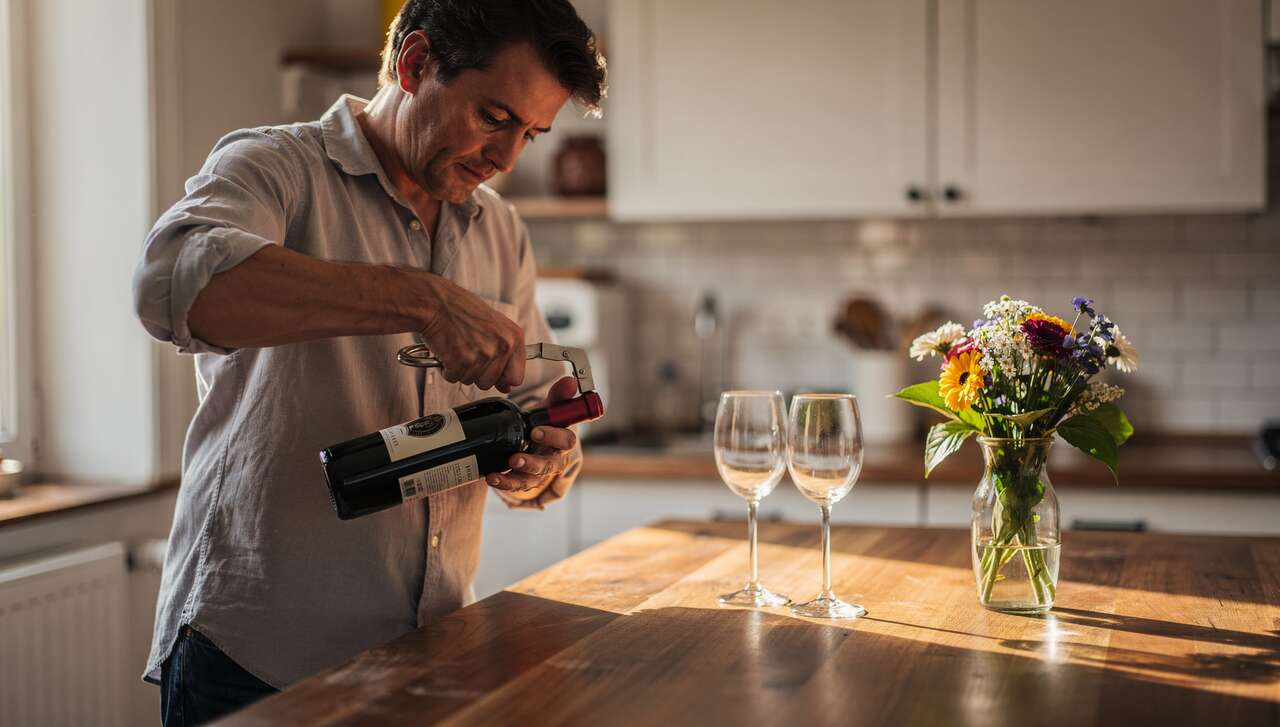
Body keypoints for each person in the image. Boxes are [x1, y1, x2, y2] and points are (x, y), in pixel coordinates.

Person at [131, 1, 606, 723]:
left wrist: (545, 463)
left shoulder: (500, 229)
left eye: (531, 134)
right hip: (258, 659)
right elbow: (171, 286)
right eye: (494, 118)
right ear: (416, 64)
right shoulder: (276, 168)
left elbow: (540, 405)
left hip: (431, 651)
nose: (508, 159)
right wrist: (419, 299)